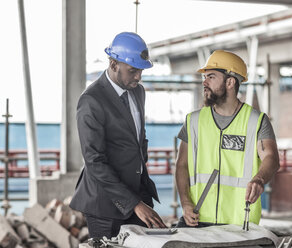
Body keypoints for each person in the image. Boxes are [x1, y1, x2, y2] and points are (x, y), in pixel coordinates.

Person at [70, 32, 166, 239]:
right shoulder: (91, 100)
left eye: (141, 71)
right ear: (114, 64)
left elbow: (139, 138)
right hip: (104, 205)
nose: (138, 77)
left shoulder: (138, 92)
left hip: (137, 194)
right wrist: (134, 204)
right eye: (133, 71)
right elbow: (95, 161)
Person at [175, 50, 280, 227]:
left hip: (240, 224)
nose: (204, 82)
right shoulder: (193, 121)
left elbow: (271, 158)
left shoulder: (256, 121)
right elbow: (181, 165)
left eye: (211, 77)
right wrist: (185, 203)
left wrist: (259, 179)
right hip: (198, 220)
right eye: (205, 77)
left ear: (230, 82)